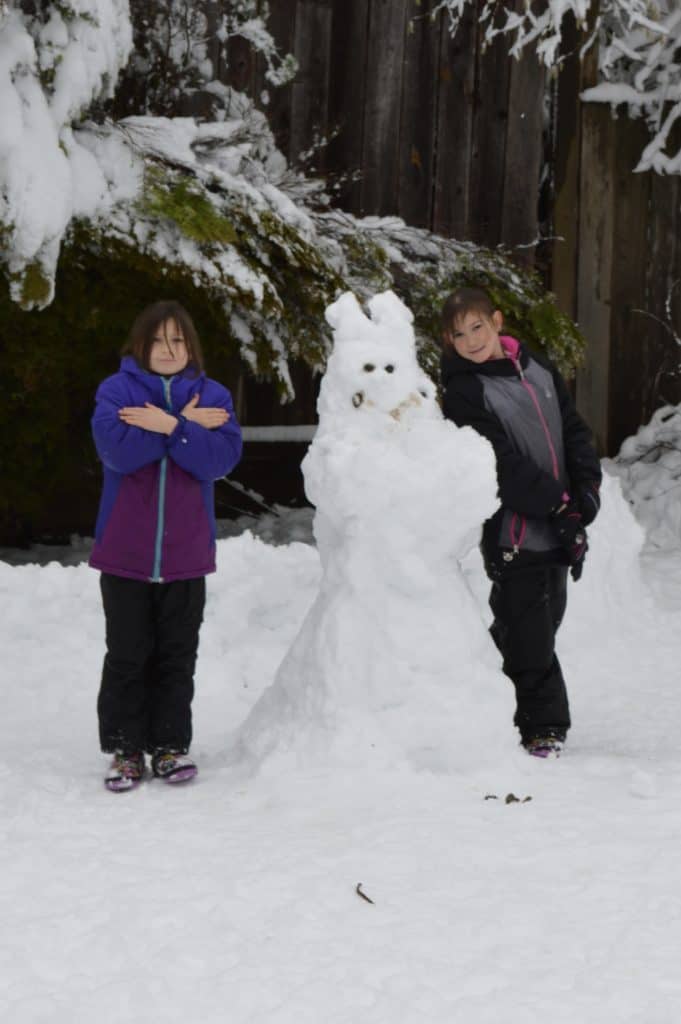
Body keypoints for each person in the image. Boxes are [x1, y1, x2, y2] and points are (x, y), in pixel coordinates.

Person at [440, 287, 601, 757]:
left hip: (558, 523)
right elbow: (500, 463)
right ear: (449, 342)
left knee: (541, 623)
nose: (471, 340)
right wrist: (559, 506)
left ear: (497, 320)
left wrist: (586, 492)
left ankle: (478, 690)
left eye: (477, 327)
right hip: (514, 530)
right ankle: (541, 726)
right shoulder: (465, 392)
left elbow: (572, 429)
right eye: (459, 334)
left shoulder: (537, 368)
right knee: (528, 633)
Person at [89, 300, 243, 790]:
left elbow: (218, 460)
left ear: (190, 345)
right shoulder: (116, 390)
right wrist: (183, 426)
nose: (169, 349)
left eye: (178, 340)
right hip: (125, 551)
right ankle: (126, 750)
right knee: (128, 653)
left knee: (178, 654)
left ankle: (171, 747)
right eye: (158, 340)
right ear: (141, 344)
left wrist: (171, 425)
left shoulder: (214, 394)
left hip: (187, 553)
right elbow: (117, 452)